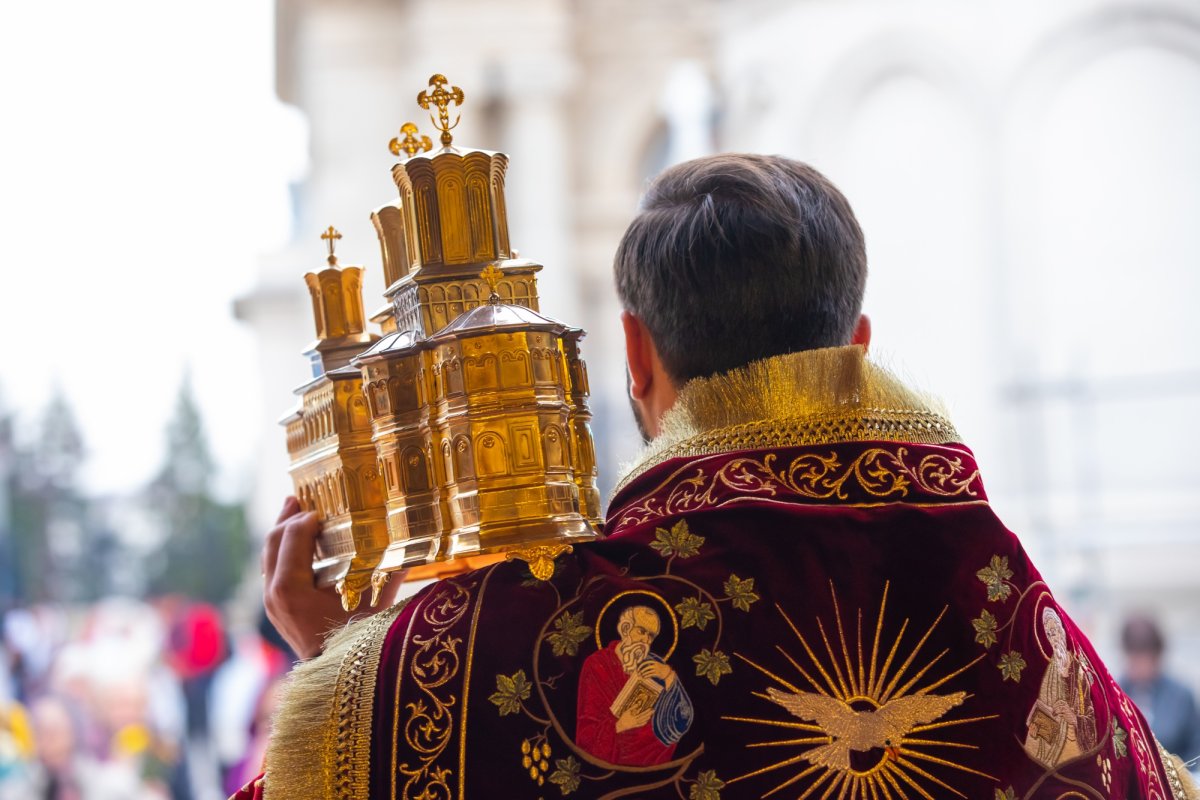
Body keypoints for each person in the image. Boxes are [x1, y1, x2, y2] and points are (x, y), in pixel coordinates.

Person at [239, 154, 1199, 799]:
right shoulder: (1011, 613)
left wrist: (358, 670)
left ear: (634, 355)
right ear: (856, 349)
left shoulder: (527, 639)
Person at [1120, 615, 1200, 761]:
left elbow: (1195, 750)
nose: (1140, 667)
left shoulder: (1181, 696)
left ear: (1157, 657)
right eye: (1134, 659)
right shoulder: (1115, 693)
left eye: (1145, 660)